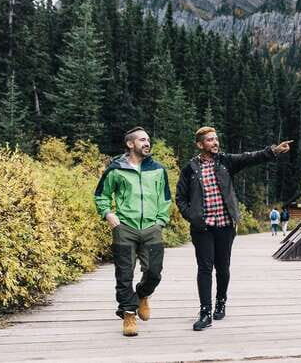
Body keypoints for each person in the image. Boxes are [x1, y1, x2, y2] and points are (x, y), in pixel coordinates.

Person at [176, 126, 291, 331]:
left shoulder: (225, 162)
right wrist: (192, 216)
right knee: (204, 268)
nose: (215, 142)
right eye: (210, 140)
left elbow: (250, 157)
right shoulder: (190, 169)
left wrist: (273, 151)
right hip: (202, 227)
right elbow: (180, 198)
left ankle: (221, 301)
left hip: (225, 226)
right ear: (200, 144)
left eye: (216, 139)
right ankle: (205, 312)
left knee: (222, 267)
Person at [94, 127, 171, 337]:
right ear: (130, 144)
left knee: (154, 272)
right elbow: (101, 195)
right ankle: (128, 314)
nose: (147, 143)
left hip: (152, 229)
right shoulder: (116, 169)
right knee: (124, 275)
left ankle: (143, 295)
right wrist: (108, 214)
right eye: (142, 140)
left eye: (148, 140)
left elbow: (165, 198)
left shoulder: (158, 169)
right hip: (125, 228)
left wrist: (160, 221)